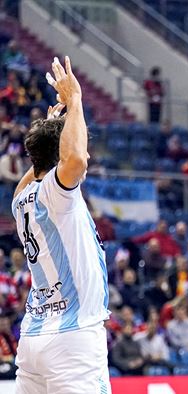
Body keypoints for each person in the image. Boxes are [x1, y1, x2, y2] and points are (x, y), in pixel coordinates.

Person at [11, 57, 111, 393]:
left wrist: (54, 124)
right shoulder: (56, 193)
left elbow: (45, 161)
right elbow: (76, 159)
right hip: (73, 339)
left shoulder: (21, 198)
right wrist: (76, 100)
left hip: (34, 338)